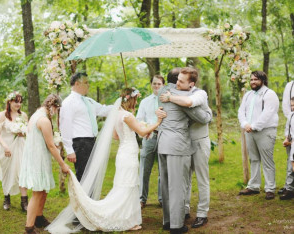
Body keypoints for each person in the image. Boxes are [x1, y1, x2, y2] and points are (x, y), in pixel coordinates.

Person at [47, 88, 164, 233]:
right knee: (129, 185)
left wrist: (134, 131)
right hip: (129, 154)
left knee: (123, 185)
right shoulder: (127, 115)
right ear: (131, 100)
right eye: (136, 100)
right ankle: (126, 220)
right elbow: (141, 132)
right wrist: (157, 122)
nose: (136, 103)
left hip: (123, 152)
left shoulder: (117, 115)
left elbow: (116, 136)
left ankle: (127, 218)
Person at [156, 68, 212, 234]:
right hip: (179, 144)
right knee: (179, 184)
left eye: (181, 81)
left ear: (191, 84)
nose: (177, 84)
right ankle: (179, 219)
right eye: (178, 80)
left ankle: (195, 214)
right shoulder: (178, 94)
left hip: (184, 142)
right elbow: (203, 117)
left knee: (173, 183)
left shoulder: (168, 93)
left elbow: (202, 116)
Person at [19, 94, 70, 234]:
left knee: (43, 190)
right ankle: (29, 228)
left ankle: (39, 218)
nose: (56, 114)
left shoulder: (37, 113)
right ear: (53, 107)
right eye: (57, 110)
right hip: (37, 159)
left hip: (38, 157)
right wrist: (63, 164)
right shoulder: (43, 120)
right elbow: (51, 146)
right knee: (37, 192)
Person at [60, 72, 113, 182]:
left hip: (92, 142)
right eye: (86, 82)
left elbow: (103, 110)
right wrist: (69, 150)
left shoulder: (88, 101)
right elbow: (65, 127)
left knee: (93, 176)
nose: (88, 85)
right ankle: (83, 199)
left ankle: (91, 199)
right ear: (77, 84)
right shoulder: (68, 102)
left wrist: (121, 103)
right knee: (84, 176)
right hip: (80, 143)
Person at [238, 70, 279, 200]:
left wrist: (254, 126)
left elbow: (268, 113)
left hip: (265, 131)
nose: (253, 82)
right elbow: (241, 111)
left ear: (262, 80)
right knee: (254, 159)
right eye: (251, 80)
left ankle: (270, 188)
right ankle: (254, 186)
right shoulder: (248, 94)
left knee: (267, 160)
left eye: (256, 79)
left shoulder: (269, 94)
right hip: (249, 131)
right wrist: (245, 124)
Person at [0, 91, 28, 211]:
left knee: (22, 171)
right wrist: (5, 146)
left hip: (20, 146)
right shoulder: (2, 115)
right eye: (16, 101)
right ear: (9, 102)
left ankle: (24, 202)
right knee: (7, 173)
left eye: (20, 101)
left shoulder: (23, 115)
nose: (18, 104)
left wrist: (22, 132)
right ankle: (6, 198)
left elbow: (27, 131)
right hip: (6, 148)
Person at [136, 74, 165, 208]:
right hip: (149, 137)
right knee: (144, 169)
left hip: (164, 137)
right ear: (151, 84)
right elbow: (139, 119)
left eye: (159, 84)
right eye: (154, 83)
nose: (156, 86)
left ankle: (162, 198)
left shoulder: (168, 101)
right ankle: (142, 199)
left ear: (163, 85)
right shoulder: (145, 101)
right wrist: (145, 130)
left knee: (163, 169)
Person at [279, 80, 294, 197]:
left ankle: (289, 187)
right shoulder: (290, 85)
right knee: (290, 162)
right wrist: (287, 139)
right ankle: (288, 186)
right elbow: (288, 128)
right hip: (291, 140)